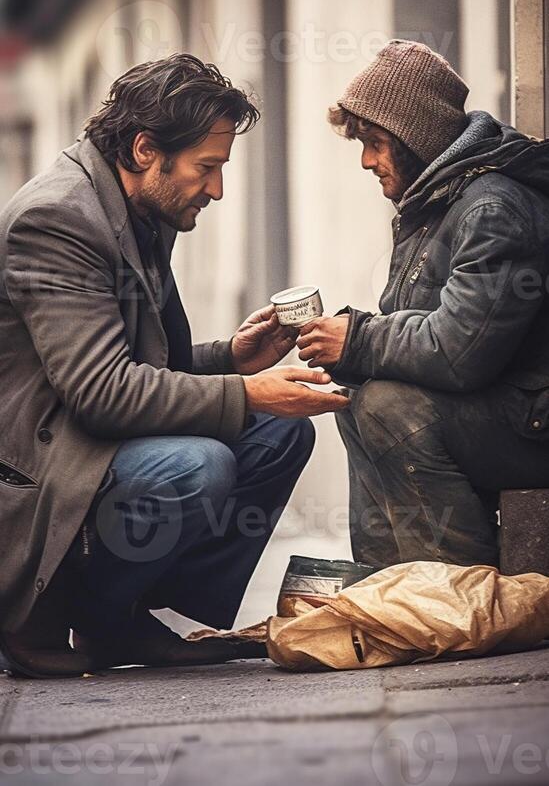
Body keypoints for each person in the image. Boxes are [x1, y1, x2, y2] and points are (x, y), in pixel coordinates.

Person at [0, 53, 347, 677]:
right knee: (195, 465)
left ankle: (124, 616)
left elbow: (147, 364)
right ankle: (45, 613)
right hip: (38, 462)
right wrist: (249, 393)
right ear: (143, 150)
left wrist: (232, 360)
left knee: (281, 432)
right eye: (206, 168)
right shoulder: (56, 220)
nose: (215, 190)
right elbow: (103, 392)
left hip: (90, 435)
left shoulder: (140, 209)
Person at [297, 39, 549, 572]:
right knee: (356, 395)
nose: (366, 161)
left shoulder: (491, 208)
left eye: (376, 142)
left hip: (532, 423)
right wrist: (347, 341)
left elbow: (459, 353)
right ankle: (387, 582)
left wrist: (358, 338)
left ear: (417, 136)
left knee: (388, 405)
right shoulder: (433, 206)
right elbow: (413, 328)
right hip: (502, 411)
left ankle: (453, 584)